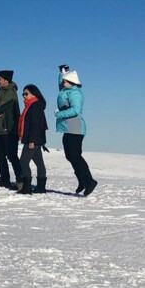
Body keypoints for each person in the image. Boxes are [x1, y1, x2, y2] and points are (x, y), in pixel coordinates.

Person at [56, 65, 97, 196]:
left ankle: (89, 180)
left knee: (74, 155)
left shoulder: (75, 93)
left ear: (72, 82)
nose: (63, 82)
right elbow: (60, 84)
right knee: (70, 155)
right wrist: (62, 73)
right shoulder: (65, 90)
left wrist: (58, 114)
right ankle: (82, 180)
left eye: (65, 81)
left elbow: (76, 110)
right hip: (68, 128)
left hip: (75, 128)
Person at [16, 84, 48, 195]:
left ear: (34, 93)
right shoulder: (31, 105)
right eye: (23, 94)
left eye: (26, 93)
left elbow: (35, 125)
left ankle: (27, 187)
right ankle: (40, 187)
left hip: (33, 140)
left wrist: (32, 141)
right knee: (39, 162)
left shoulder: (35, 106)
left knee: (23, 162)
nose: (24, 96)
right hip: (36, 139)